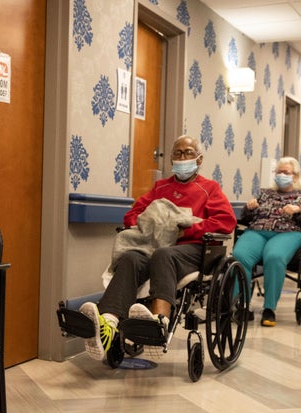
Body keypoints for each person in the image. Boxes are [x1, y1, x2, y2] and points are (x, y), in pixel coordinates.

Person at [79, 135, 237, 361]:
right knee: (131, 258)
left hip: (191, 250)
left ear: (199, 159)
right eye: (178, 153)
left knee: (164, 255)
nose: (183, 157)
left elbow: (225, 222)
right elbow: (131, 215)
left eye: (189, 152)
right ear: (171, 159)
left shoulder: (209, 188)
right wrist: (151, 225)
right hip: (155, 247)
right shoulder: (160, 187)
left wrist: (185, 230)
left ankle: (159, 323)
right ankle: (108, 324)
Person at [232, 157, 301, 327]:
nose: (281, 175)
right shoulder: (265, 193)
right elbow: (246, 217)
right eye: (278, 172)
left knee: (274, 256)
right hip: (258, 231)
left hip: (289, 233)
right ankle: (242, 304)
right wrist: (249, 207)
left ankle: (269, 308)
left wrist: (299, 209)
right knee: (239, 255)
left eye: (286, 172)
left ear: (295, 176)